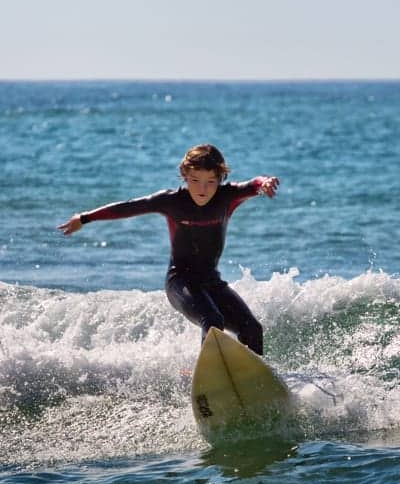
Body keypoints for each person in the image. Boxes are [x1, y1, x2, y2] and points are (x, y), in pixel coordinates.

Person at [58, 144, 279, 355]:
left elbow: (254, 184)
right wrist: (85, 218)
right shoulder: (171, 201)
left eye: (210, 181)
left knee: (252, 329)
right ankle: (210, 375)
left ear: (220, 178)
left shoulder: (226, 196)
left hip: (211, 282)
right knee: (212, 320)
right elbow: (128, 206)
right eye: (195, 180)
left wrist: (265, 183)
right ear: (185, 176)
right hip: (180, 282)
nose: (202, 189)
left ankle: (257, 383)